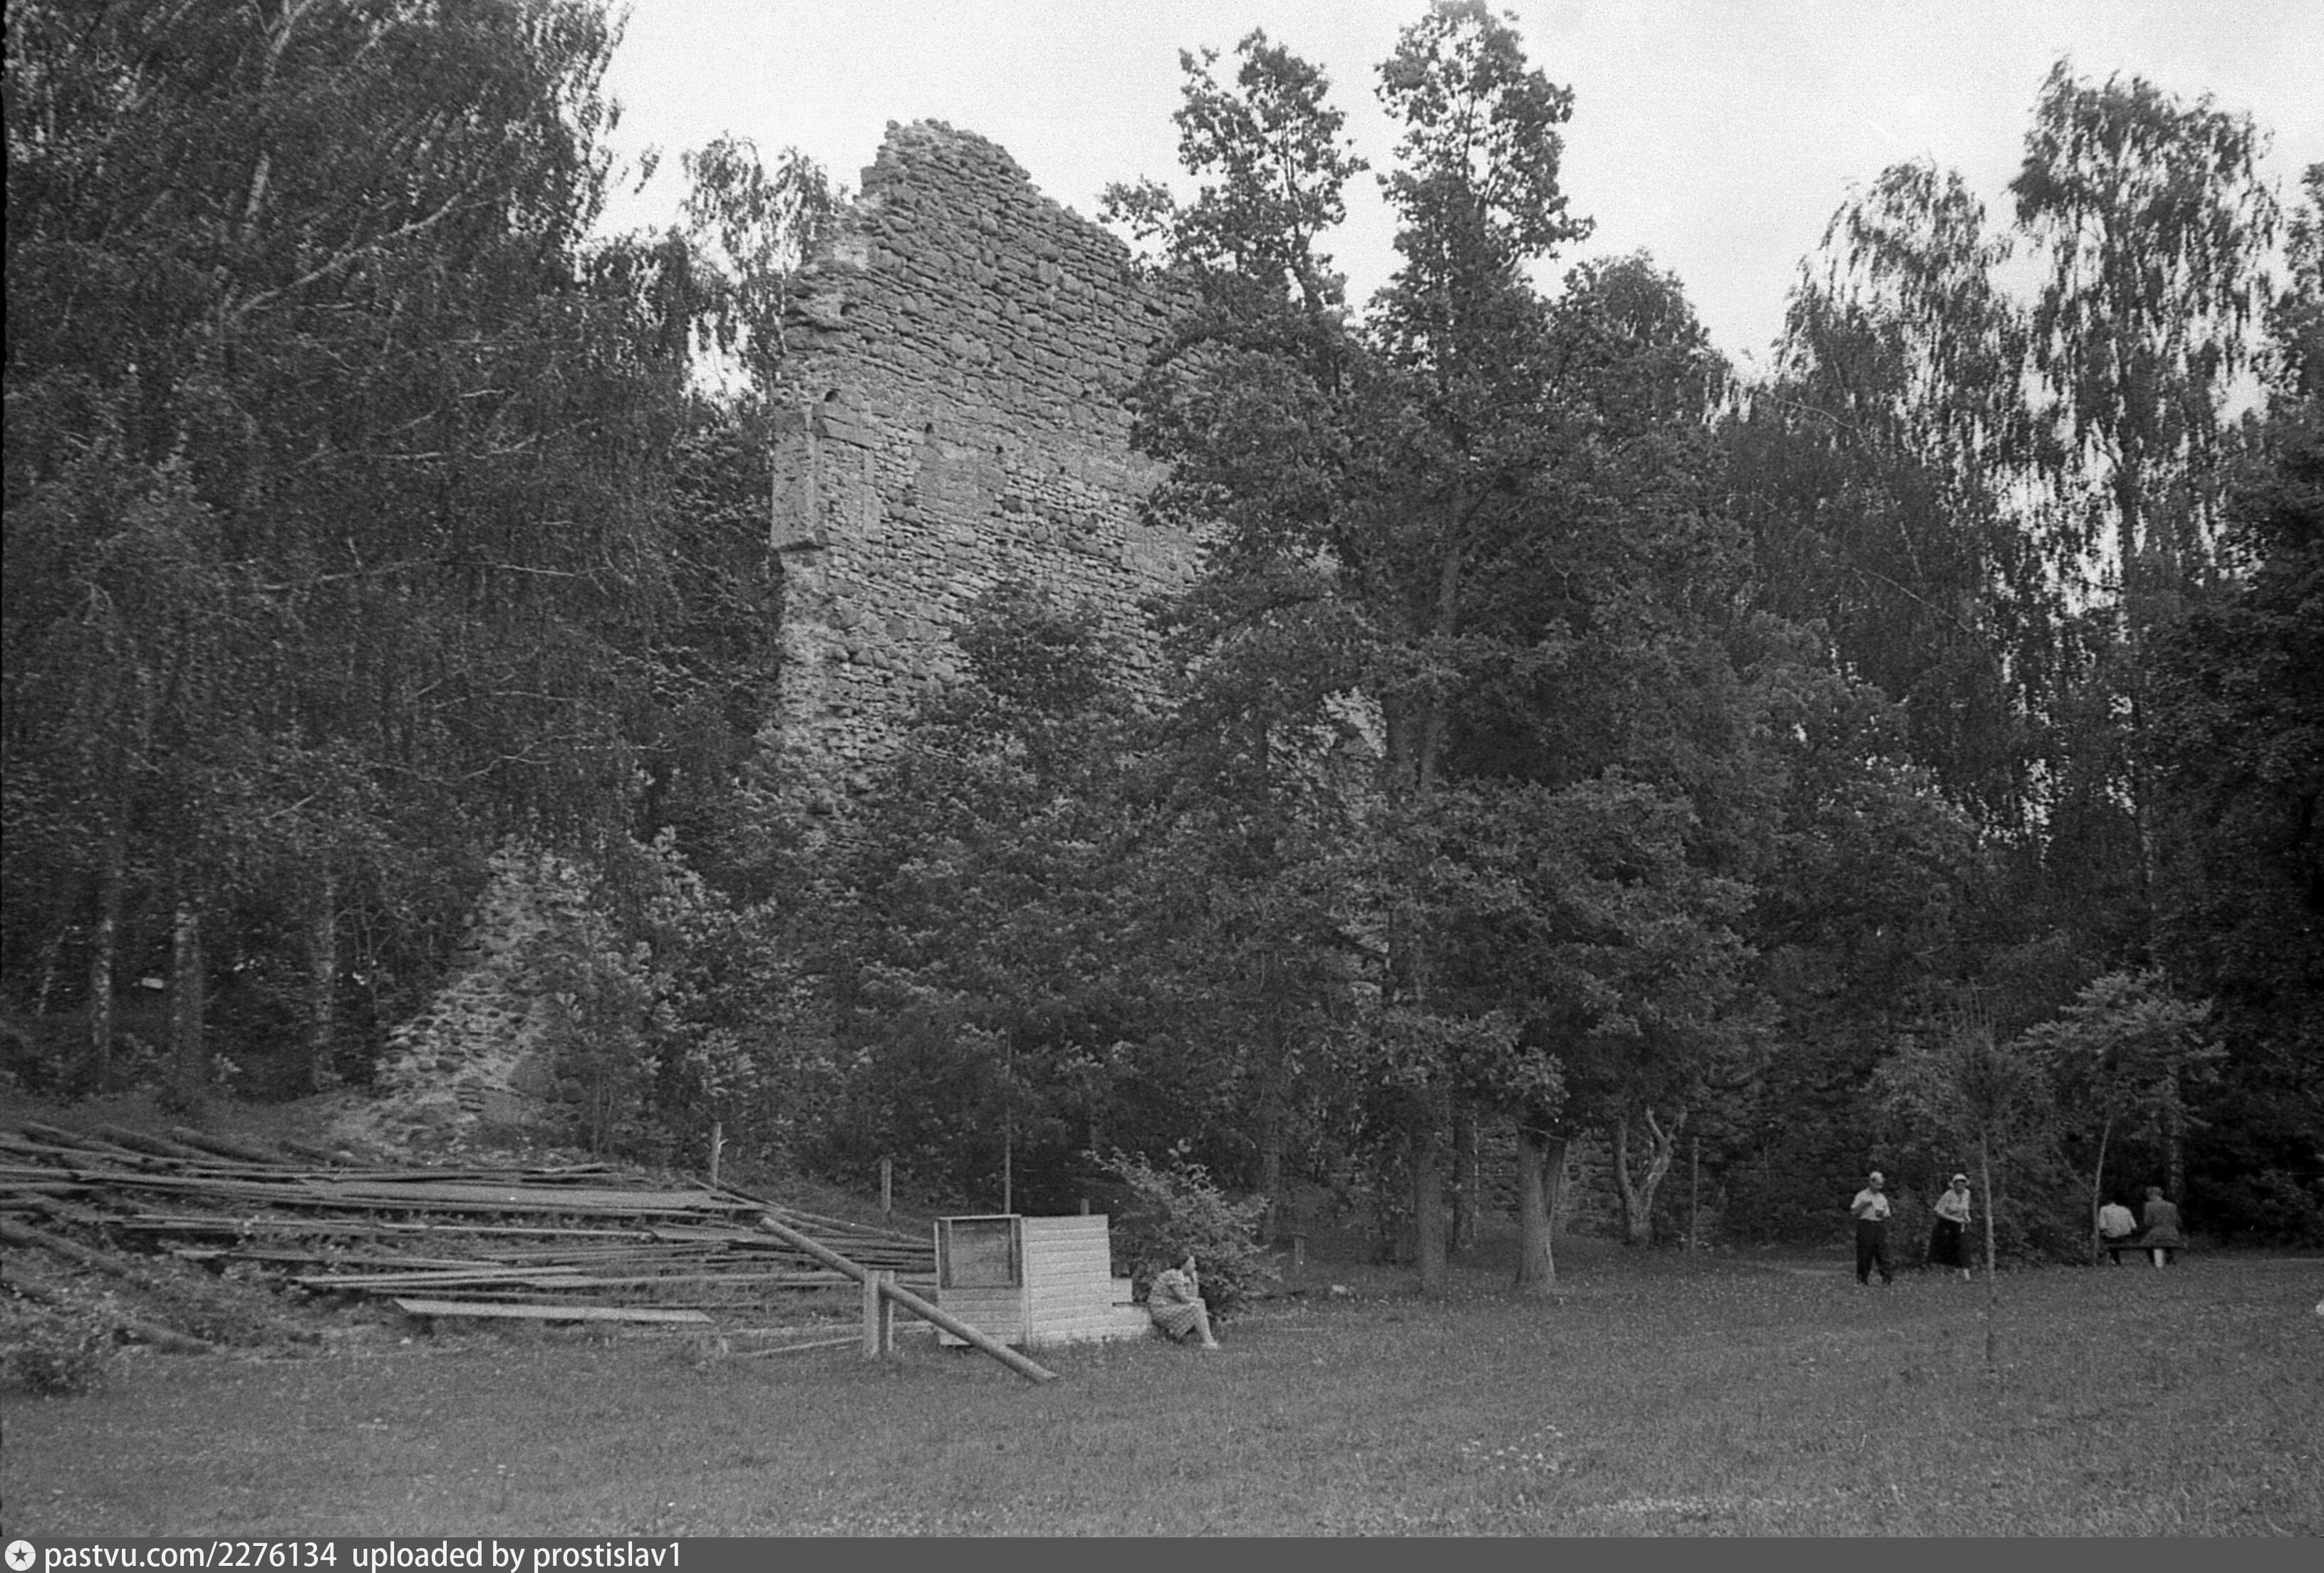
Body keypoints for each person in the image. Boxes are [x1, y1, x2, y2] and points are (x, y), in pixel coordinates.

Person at [1146, 1252, 1220, 1348]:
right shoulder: (1173, 1274)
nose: (1195, 1266)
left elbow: (1193, 1297)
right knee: (1198, 1306)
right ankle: (1208, 1342)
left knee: (1198, 1306)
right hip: (1160, 1310)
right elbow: (1183, 1298)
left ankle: (1209, 1341)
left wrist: (1195, 1281)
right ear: (1183, 1264)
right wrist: (1200, 1302)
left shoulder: (1185, 1277)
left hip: (1171, 1307)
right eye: (1192, 1263)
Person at [1850, 1170, 1894, 1286]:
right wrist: (1864, 1204)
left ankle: (1887, 1280)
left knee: (1883, 1253)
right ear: (1871, 1182)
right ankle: (1862, 1280)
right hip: (1866, 1225)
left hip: (1879, 1225)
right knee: (1865, 1253)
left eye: (1881, 1185)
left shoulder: (1882, 1198)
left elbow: (1887, 1214)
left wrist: (1883, 1214)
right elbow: (1853, 1212)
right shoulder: (1861, 1195)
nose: (1879, 1187)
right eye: (1877, 1184)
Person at [1929, 1173, 1973, 1280]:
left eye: (1963, 1185)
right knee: (1948, 1248)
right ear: (1954, 1185)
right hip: (1946, 1224)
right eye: (1958, 1185)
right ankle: (1947, 1273)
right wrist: (1954, 1219)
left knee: (1963, 1246)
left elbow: (1965, 1208)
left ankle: (1966, 1275)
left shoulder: (1967, 1194)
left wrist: (1967, 1217)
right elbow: (1938, 1211)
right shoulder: (1948, 1195)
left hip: (1961, 1224)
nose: (1961, 1188)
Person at [2139, 1186, 2184, 1268]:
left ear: (2152, 1194)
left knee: (2145, 1244)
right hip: (2173, 1233)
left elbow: (2147, 1222)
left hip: (2157, 1233)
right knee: (2167, 1242)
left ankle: (2153, 1261)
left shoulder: (2149, 1206)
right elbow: (2178, 1221)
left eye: (2149, 1195)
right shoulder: (2172, 1206)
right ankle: (2169, 1259)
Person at [2097, 1196, 2139, 1265]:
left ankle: (2107, 1257)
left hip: (2111, 1237)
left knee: (2102, 1236)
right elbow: (2134, 1227)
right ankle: (2115, 1259)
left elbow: (2102, 1227)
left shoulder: (2104, 1209)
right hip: (2125, 1238)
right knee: (2115, 1236)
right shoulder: (2126, 1210)